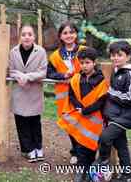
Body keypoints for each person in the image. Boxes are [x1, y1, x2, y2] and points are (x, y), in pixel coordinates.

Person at [91, 41, 131, 182]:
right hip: (116, 116)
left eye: (119, 55)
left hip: (126, 117)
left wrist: (110, 92)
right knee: (121, 146)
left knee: (105, 138)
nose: (115, 58)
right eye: (113, 55)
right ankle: (127, 176)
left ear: (127, 57)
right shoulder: (117, 71)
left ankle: (102, 162)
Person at [59, 47, 108, 182]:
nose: (84, 66)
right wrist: (78, 106)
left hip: (94, 119)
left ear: (94, 62)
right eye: (82, 63)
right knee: (80, 146)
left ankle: (89, 172)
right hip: (80, 118)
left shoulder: (101, 79)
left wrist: (87, 110)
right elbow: (71, 95)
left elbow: (102, 99)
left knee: (91, 147)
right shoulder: (76, 78)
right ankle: (81, 173)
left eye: (87, 62)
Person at [47, 21, 85, 165]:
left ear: (76, 34)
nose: (69, 35)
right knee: (70, 124)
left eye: (71, 32)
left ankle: (85, 152)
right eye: (65, 33)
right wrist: (62, 76)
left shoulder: (84, 50)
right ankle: (75, 151)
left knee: (83, 123)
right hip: (64, 96)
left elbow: (94, 68)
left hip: (83, 94)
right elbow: (49, 72)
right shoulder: (55, 56)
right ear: (60, 36)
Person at [8, 24, 48, 162]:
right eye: (24, 34)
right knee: (21, 122)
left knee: (35, 122)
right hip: (19, 91)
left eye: (29, 34)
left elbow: (43, 71)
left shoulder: (41, 52)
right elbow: (11, 70)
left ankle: (38, 148)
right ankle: (28, 149)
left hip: (34, 91)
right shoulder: (13, 52)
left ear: (34, 36)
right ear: (20, 37)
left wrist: (28, 77)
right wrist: (18, 75)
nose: (27, 37)